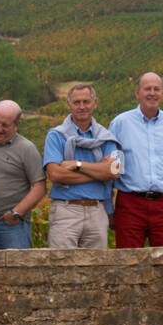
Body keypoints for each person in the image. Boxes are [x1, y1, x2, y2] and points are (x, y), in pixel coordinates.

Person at [109, 72, 163, 248]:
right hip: (129, 204)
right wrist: (108, 205)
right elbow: (112, 168)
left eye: (157, 89)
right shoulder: (120, 124)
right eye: (147, 88)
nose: (152, 93)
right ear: (137, 93)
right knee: (128, 262)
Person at [44, 83, 121, 249]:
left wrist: (77, 165)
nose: (82, 106)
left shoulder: (106, 137)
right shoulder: (55, 135)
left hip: (97, 211)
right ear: (68, 105)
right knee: (61, 266)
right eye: (77, 102)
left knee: (96, 269)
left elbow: (114, 171)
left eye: (86, 101)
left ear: (95, 103)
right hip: (66, 210)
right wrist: (98, 172)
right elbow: (56, 175)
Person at [0, 100, 47, 250]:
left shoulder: (26, 149)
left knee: (17, 273)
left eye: (5, 125)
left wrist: (16, 213)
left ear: (17, 125)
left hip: (11, 228)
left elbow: (39, 187)